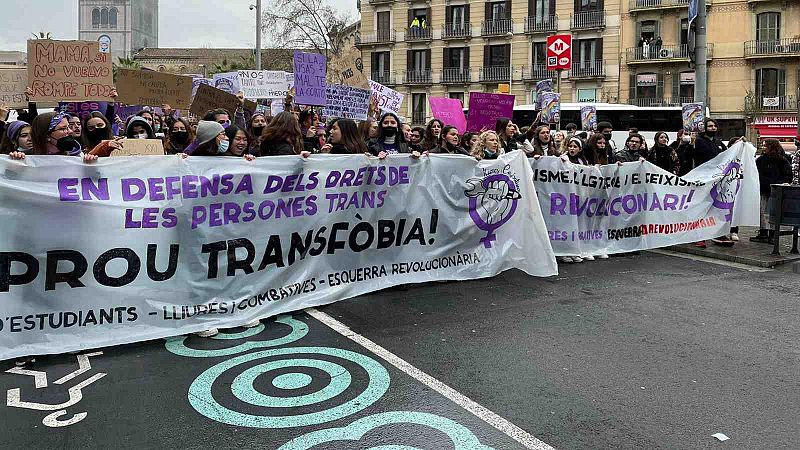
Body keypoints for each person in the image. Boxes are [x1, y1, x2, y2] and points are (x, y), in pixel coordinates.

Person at [693, 118, 729, 247]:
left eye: (714, 126)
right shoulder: (698, 141)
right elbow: (691, 155)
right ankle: (698, 236)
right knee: (702, 208)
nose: (713, 128)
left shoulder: (719, 142)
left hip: (718, 180)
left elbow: (728, 155)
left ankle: (718, 234)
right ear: (704, 128)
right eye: (710, 126)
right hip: (703, 180)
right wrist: (690, 144)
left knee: (718, 208)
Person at [751, 139, 792, 243]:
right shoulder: (761, 160)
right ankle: (764, 232)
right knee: (762, 211)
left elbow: (787, 175)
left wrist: (777, 183)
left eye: (766, 146)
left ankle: (772, 234)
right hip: (764, 188)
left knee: (773, 212)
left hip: (775, 190)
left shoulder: (782, 160)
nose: (764, 148)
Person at [27, 112, 96, 162]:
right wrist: (18, 163)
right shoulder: (28, 158)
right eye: (63, 129)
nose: (70, 131)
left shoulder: (78, 157)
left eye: (68, 127)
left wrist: (91, 167)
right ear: (46, 135)